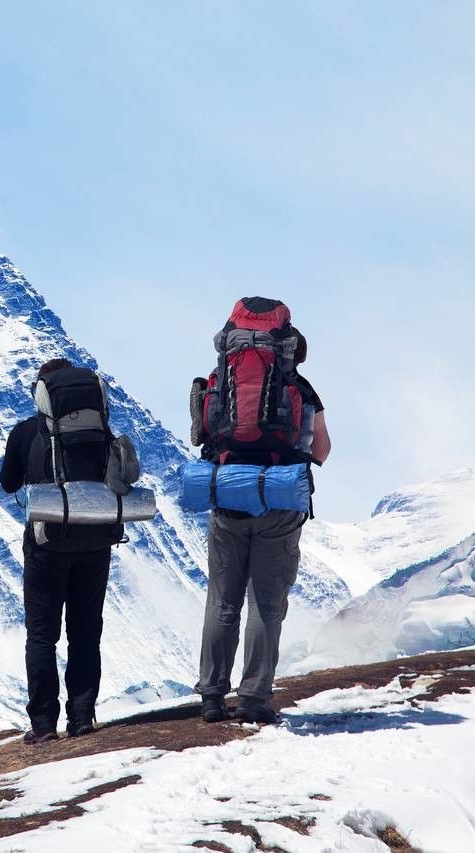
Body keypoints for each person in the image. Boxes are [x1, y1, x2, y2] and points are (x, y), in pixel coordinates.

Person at [193, 297, 331, 725]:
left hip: (228, 498)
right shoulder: (301, 390)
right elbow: (322, 450)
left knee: (222, 602)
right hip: (279, 502)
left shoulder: (218, 381)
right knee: (266, 606)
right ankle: (253, 698)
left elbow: (201, 435)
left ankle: (213, 697)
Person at [0, 357, 122, 744]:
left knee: (41, 636)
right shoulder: (101, 432)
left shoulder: (24, 433)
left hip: (46, 544)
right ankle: (83, 717)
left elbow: (7, 484)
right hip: (95, 542)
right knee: (86, 633)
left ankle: (43, 726)